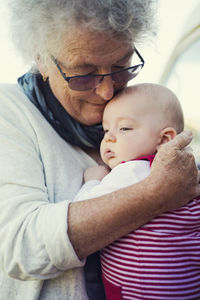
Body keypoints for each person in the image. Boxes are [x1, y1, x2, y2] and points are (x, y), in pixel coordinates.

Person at [0, 1, 199, 299]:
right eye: (83, 73)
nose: (107, 92)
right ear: (41, 58)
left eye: (121, 67)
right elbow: (21, 247)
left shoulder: (138, 108)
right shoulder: (10, 112)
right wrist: (154, 193)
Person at [75, 83, 200, 300]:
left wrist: (92, 181)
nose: (109, 138)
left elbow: (80, 211)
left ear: (164, 140)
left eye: (124, 128)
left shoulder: (133, 170)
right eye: (106, 130)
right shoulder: (185, 174)